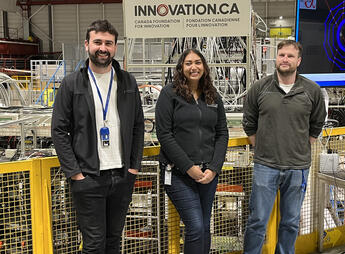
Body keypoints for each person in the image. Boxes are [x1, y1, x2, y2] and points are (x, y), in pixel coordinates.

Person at [51, 19, 144, 254]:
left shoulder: (127, 82)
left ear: (115, 47)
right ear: (87, 44)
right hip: (89, 177)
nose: (103, 48)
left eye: (109, 43)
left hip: (122, 175)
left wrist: (133, 167)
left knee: (114, 241)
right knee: (93, 244)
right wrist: (75, 173)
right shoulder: (71, 84)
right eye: (98, 42)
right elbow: (59, 130)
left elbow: (138, 126)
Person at [242, 40, 327, 254]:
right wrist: (261, 147)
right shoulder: (260, 88)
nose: (285, 59)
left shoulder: (311, 90)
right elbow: (249, 121)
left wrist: (301, 144)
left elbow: (317, 122)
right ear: (276, 58)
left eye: (290, 56)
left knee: (290, 222)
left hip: (297, 168)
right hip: (265, 166)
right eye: (281, 55)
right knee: (257, 220)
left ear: (298, 61)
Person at [155, 48, 229, 254]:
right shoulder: (169, 95)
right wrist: (188, 167)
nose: (193, 67)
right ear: (181, 68)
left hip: (208, 174)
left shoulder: (212, 96)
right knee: (196, 226)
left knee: (205, 227)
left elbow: (222, 133)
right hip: (179, 174)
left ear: (204, 67)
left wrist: (213, 168)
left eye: (198, 62)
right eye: (188, 63)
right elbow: (165, 135)